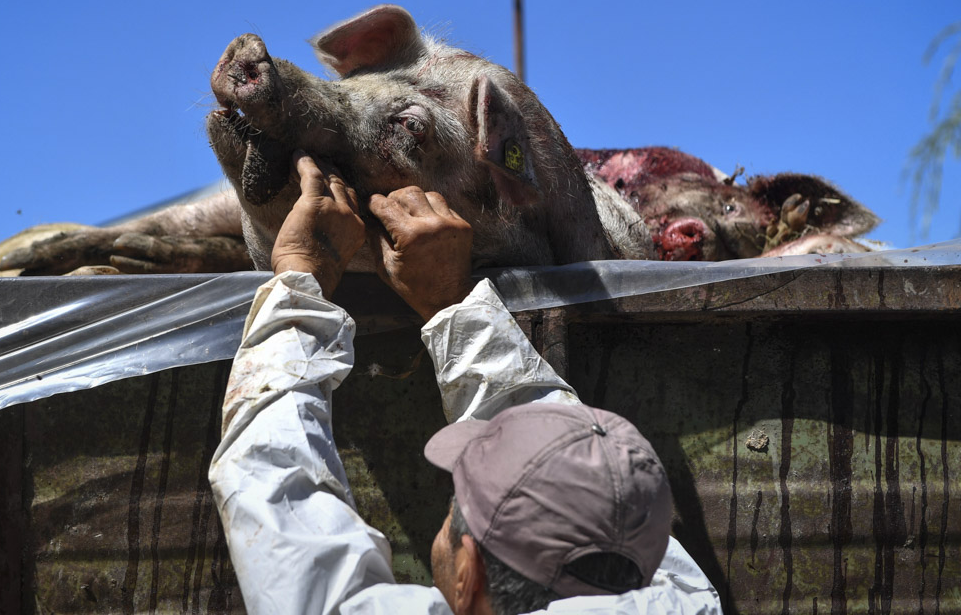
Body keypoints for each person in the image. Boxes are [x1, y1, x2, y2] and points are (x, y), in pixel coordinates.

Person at [208, 152, 722, 614]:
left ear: (466, 573)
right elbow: (270, 485)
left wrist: (299, 277)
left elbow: (273, 477)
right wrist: (452, 301)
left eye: (456, 504)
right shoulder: (687, 601)